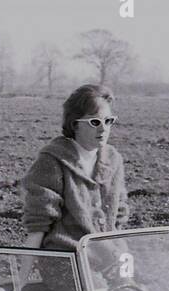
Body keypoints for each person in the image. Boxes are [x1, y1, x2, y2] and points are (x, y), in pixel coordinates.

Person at [21, 84, 130, 253]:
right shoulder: (52, 160)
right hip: (66, 259)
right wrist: (22, 278)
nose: (103, 128)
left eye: (108, 121)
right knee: (93, 281)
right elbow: (38, 225)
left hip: (109, 258)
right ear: (75, 125)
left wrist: (123, 265)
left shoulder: (114, 159)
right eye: (95, 122)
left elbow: (118, 220)